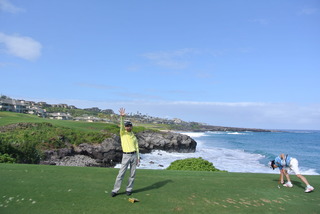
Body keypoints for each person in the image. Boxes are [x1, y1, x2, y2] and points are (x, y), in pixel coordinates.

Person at [111, 108, 140, 197]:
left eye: (129, 126)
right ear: (125, 127)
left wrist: (138, 158)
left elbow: (137, 147)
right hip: (126, 155)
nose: (128, 127)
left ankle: (129, 189)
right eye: (127, 126)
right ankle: (115, 190)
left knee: (132, 174)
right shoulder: (123, 134)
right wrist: (122, 117)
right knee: (121, 173)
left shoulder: (133, 136)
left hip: (134, 155)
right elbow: (121, 125)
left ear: (131, 127)